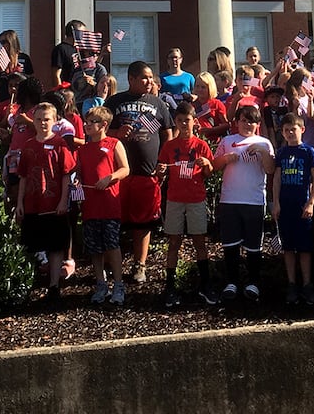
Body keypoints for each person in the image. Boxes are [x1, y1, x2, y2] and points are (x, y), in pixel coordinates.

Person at [104, 60, 173, 285]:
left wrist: (163, 161)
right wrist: (116, 131)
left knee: (143, 223)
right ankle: (110, 264)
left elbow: (168, 134)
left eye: (151, 77)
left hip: (147, 173)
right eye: (144, 77)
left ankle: (139, 264)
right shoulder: (114, 102)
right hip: (119, 174)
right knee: (115, 220)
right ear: (131, 79)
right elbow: (99, 132)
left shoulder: (158, 103)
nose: (149, 81)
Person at [156, 102, 217, 307]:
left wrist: (207, 164)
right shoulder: (169, 146)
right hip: (174, 199)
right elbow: (160, 172)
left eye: (187, 120)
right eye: (180, 120)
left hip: (196, 198)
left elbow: (209, 174)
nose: (184, 124)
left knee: (199, 242)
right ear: (176, 122)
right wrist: (161, 170)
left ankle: (206, 284)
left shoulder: (201, 145)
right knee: (174, 242)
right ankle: (170, 286)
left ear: (194, 122)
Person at [213, 104, 274, 302]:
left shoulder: (264, 143)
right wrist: (225, 159)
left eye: (252, 121)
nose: (248, 124)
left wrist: (263, 154)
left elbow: (271, 170)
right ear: (236, 122)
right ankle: (231, 282)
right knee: (230, 244)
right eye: (244, 120)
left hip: (254, 201)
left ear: (258, 124)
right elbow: (214, 166)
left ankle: (253, 283)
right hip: (230, 200)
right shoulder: (227, 140)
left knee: (254, 246)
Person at [16, 102, 75, 305]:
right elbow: (22, 176)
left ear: (55, 121)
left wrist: (63, 201)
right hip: (32, 203)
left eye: (47, 119)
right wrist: (20, 203)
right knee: (31, 246)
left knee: (56, 246)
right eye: (39, 119)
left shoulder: (60, 144)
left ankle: (54, 285)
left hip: (53, 203)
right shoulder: (28, 145)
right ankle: (27, 285)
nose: (42, 123)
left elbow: (67, 175)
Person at [76, 106, 129, 306]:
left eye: (92, 122)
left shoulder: (114, 144)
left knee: (111, 245)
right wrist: (77, 181)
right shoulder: (83, 150)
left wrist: (110, 178)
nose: (87, 125)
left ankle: (118, 284)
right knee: (95, 247)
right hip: (90, 206)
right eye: (86, 122)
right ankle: (100, 283)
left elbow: (125, 169)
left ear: (103, 125)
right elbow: (78, 174)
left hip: (109, 204)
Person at [272, 112, 314, 305]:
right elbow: (276, 179)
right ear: (282, 133)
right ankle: (292, 284)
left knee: (305, 248)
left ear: (302, 129)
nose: (290, 133)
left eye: (294, 129)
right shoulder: (282, 153)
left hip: (303, 206)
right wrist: (275, 202)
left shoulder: (308, 152)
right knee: (288, 247)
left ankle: (307, 284)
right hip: (285, 207)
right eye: (286, 130)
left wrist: (311, 203)